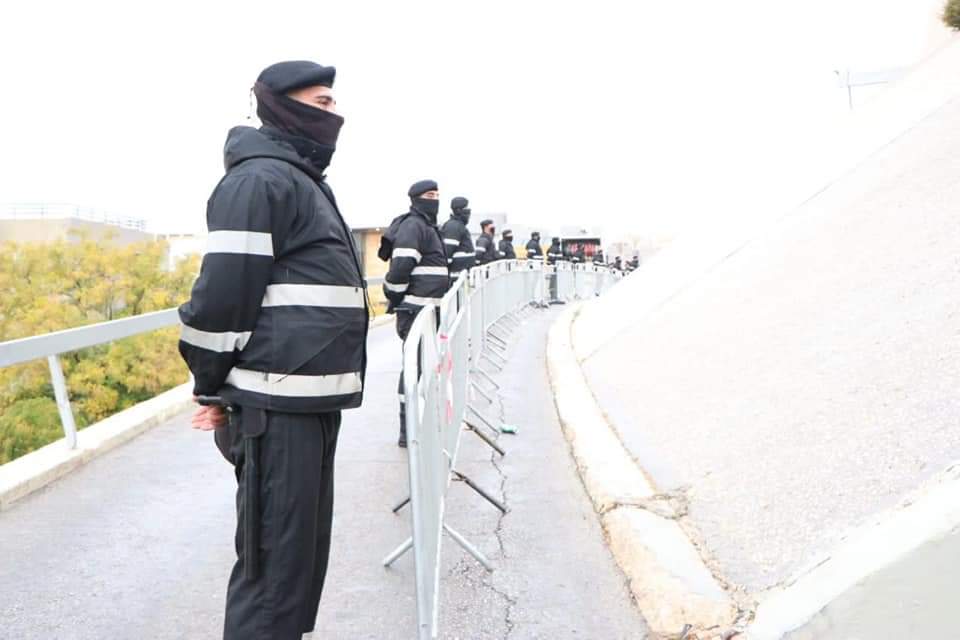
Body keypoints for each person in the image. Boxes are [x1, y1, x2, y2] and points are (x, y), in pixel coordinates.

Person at [178, 60, 368, 640]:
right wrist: (211, 387)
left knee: (296, 572)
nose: (333, 115)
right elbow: (221, 300)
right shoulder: (260, 182)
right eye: (321, 102)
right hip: (275, 411)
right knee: (271, 579)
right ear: (282, 105)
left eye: (333, 102)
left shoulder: (302, 182)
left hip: (309, 406)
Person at [381, 180, 450, 447]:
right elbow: (400, 269)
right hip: (414, 311)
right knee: (413, 369)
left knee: (424, 368)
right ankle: (406, 428)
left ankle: (418, 423)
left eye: (437, 195)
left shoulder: (428, 226)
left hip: (428, 311)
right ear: (416, 199)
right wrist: (394, 295)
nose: (434, 200)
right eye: (429, 195)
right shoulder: (414, 226)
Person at [440, 196, 476, 281]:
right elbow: (447, 252)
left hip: (463, 277)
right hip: (457, 279)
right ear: (458, 210)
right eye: (466, 208)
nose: (469, 212)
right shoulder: (453, 226)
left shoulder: (459, 225)